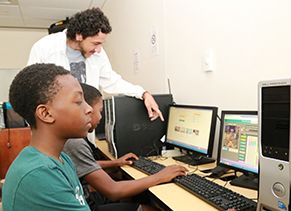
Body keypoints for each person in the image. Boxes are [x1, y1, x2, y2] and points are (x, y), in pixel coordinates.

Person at [63, 83, 189, 211]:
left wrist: (115, 162)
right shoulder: (75, 142)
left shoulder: (71, 138)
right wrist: (160, 176)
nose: (101, 117)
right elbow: (113, 191)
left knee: (127, 189)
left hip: (80, 198)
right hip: (86, 204)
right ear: (87, 110)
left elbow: (82, 164)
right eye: (100, 111)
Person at [27, 7, 163, 123]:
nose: (98, 49)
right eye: (96, 43)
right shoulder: (44, 48)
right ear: (79, 35)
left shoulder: (97, 53)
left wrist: (144, 94)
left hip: (83, 123)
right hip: (54, 124)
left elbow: (111, 81)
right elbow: (31, 89)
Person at [2, 63, 93, 210]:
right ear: (46, 114)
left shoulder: (62, 159)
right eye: (78, 102)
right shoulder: (39, 173)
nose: (89, 109)